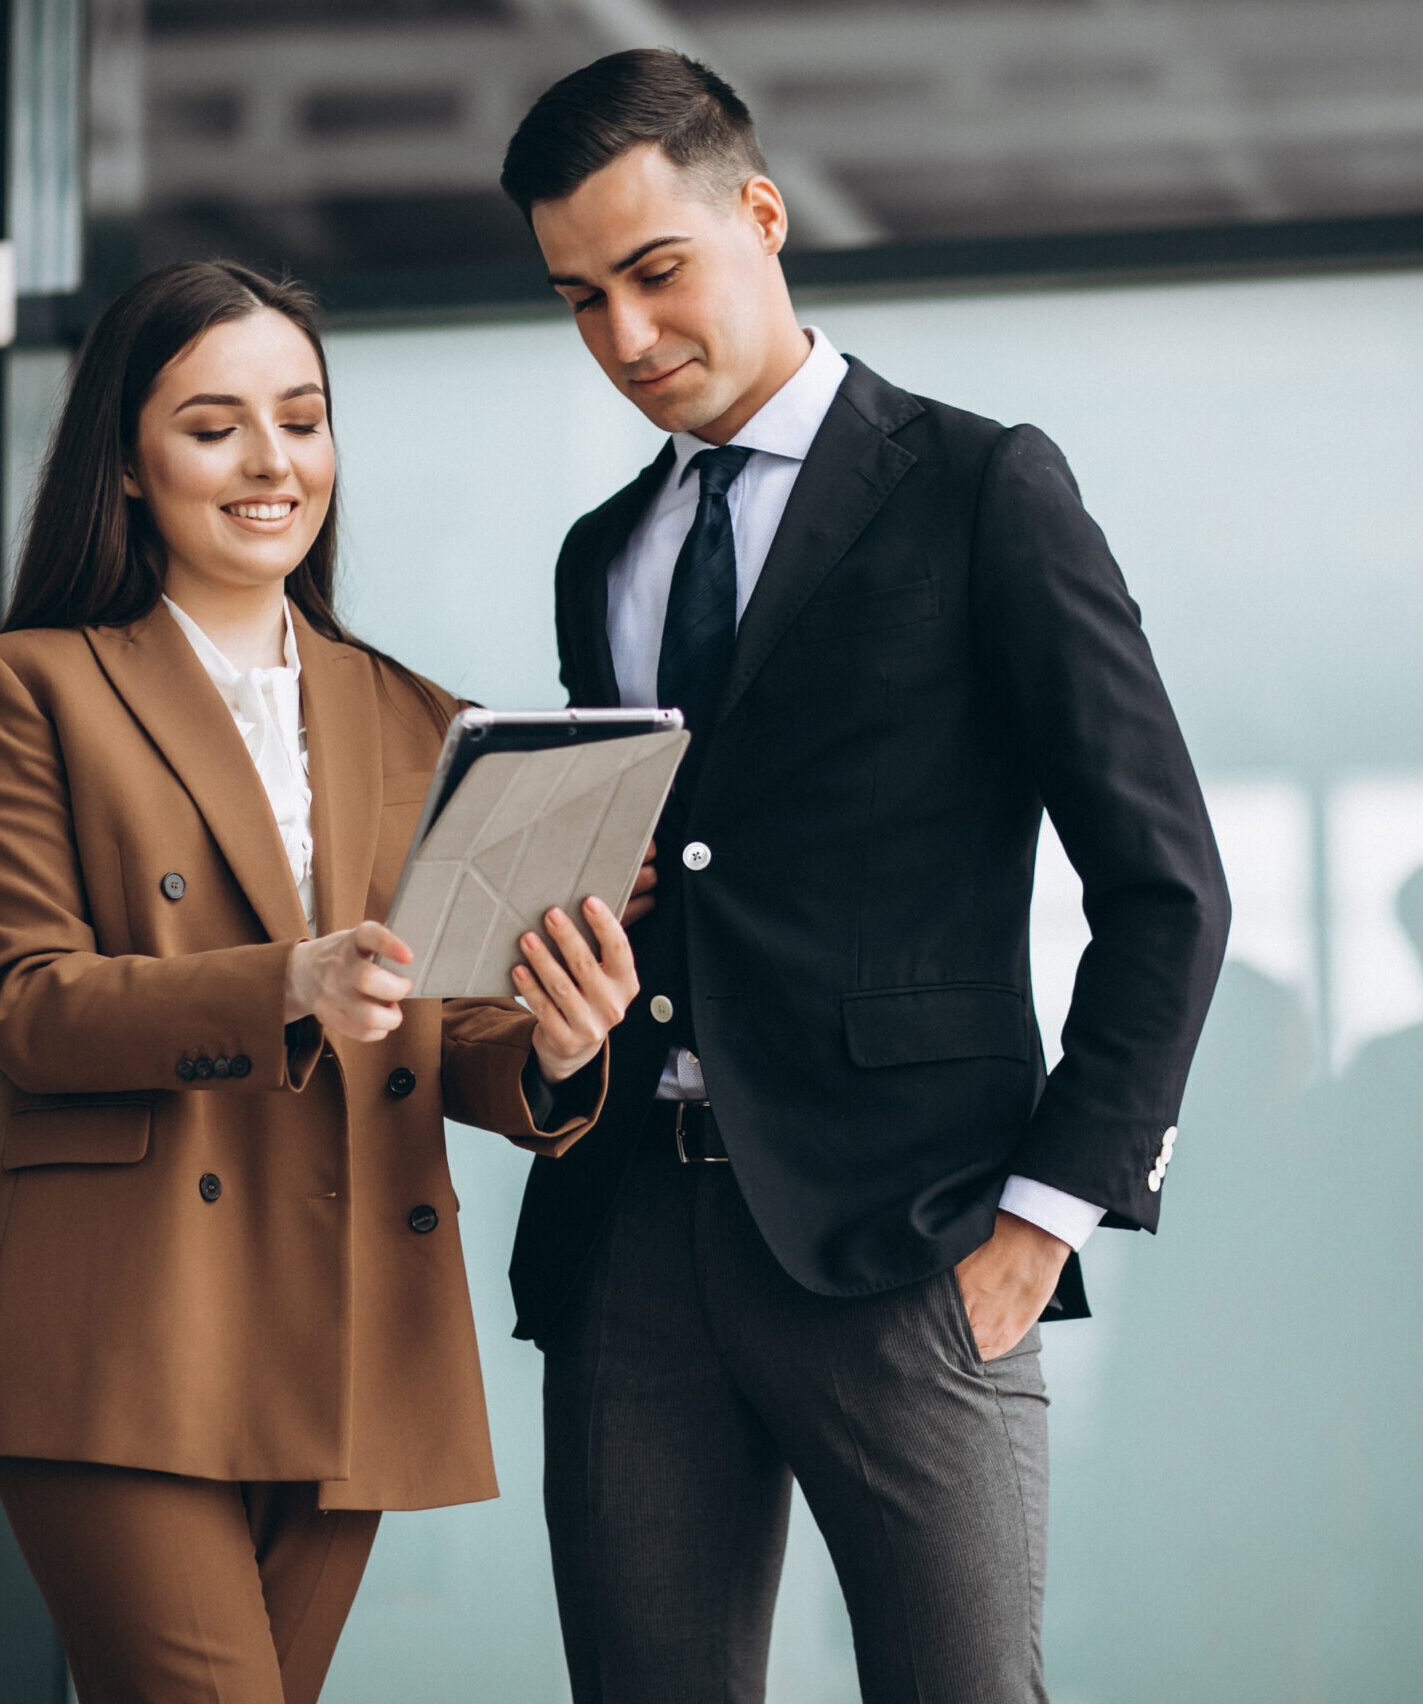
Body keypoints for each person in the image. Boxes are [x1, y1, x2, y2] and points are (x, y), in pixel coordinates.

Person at [497, 50, 1232, 1704]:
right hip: (628, 1238)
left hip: (912, 1239)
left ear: (760, 215)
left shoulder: (985, 488)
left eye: (654, 272)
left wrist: (1041, 1224)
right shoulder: (599, 555)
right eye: (578, 298)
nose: (622, 337)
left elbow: (1168, 883)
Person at [0, 259, 637, 1704]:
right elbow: (22, 1005)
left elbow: (452, 1031)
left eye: (303, 419)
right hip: (131, 1328)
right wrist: (285, 984)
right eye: (214, 427)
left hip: (348, 1319)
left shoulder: (419, 716)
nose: (274, 463)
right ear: (126, 466)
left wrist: (559, 1046)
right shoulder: (31, 688)